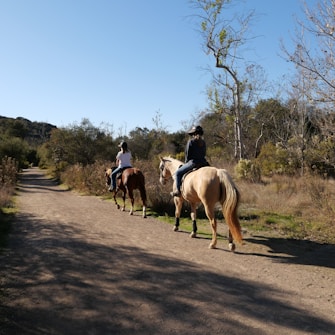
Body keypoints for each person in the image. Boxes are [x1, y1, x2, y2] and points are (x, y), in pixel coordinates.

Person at [171, 125, 209, 197]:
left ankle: (178, 191)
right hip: (204, 162)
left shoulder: (191, 142)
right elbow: (204, 153)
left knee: (178, 173)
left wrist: (186, 163)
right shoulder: (203, 142)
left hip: (193, 163)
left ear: (194, 134)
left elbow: (187, 155)